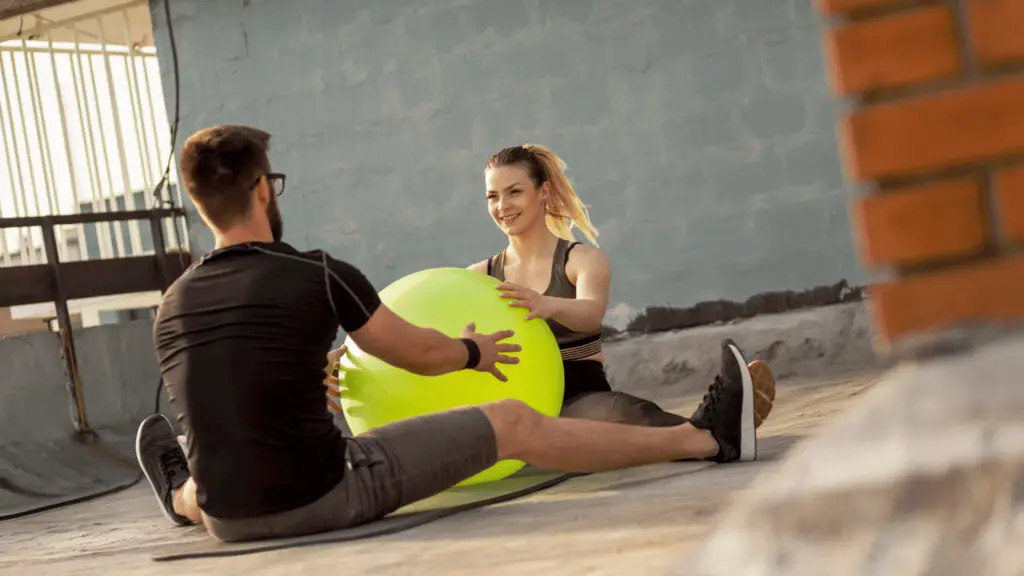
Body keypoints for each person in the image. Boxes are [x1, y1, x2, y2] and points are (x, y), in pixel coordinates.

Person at [137, 124, 765, 544]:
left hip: (226, 515)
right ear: (260, 191)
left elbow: (239, 389)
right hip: (325, 492)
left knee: (217, 453)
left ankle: (178, 492)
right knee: (512, 421)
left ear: (199, 203)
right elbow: (425, 355)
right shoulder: (318, 274)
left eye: (512, 191)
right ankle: (707, 439)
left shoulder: (172, 305)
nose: (501, 204)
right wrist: (476, 351)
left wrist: (319, 374)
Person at [326, 144, 776, 431]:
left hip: (577, 395)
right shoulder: (478, 275)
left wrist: (544, 303)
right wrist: (350, 358)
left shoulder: (582, 259)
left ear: (542, 193)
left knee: (625, 417)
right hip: (507, 405)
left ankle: (714, 424)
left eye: (514, 192)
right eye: (492, 196)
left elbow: (591, 313)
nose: (502, 206)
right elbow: (418, 327)